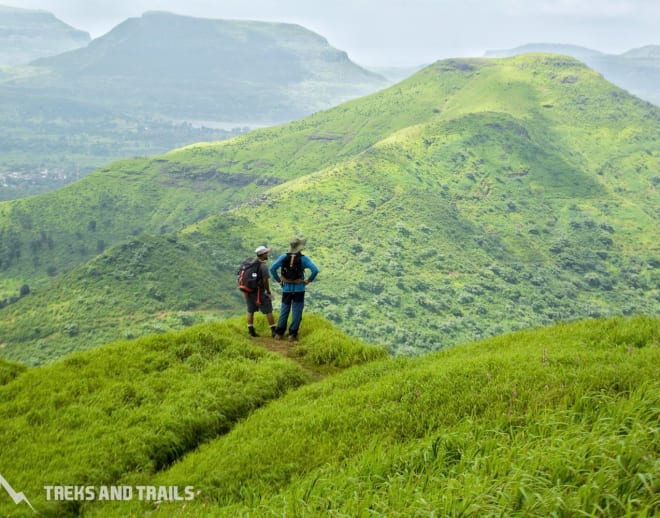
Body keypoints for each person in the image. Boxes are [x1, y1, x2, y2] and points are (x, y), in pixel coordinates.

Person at [270, 237, 319, 341]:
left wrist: (279, 281)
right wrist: (308, 280)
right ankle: (292, 335)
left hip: (286, 288)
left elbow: (272, 268)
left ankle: (279, 333)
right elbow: (315, 270)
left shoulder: (283, 257)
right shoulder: (304, 259)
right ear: (300, 248)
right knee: (297, 311)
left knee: (284, 310)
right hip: (299, 289)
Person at [244, 245, 277, 337]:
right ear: (262, 254)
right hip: (259, 291)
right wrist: (268, 291)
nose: (267, 254)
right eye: (266, 253)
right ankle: (274, 331)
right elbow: (265, 280)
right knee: (268, 310)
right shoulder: (263, 266)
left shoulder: (250, 263)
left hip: (248, 290)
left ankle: (251, 331)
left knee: (250, 310)